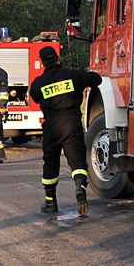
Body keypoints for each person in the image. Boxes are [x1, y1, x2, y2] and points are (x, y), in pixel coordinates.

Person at [29, 46, 101, 216]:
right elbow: (96, 79)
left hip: (51, 127)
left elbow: (34, 96)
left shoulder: (39, 82)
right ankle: (80, 188)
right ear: (57, 59)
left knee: (50, 163)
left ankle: (50, 202)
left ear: (42, 62)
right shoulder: (73, 75)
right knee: (77, 161)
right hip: (72, 124)